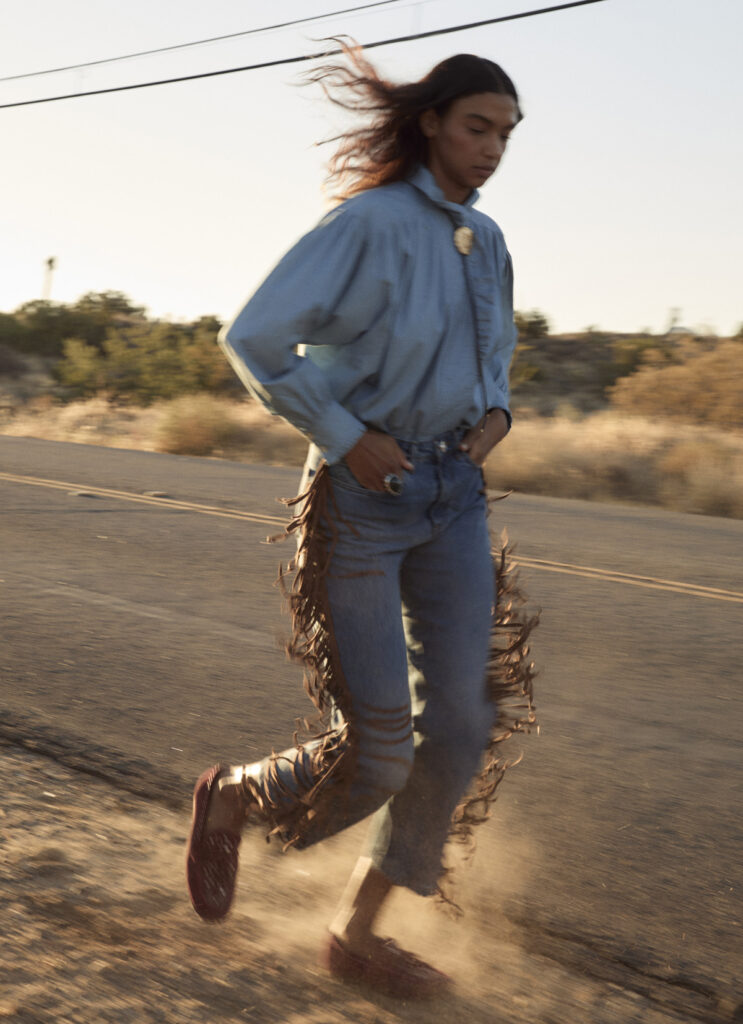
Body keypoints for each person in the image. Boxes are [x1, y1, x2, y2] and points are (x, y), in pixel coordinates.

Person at [186, 42, 536, 999]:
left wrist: (496, 414)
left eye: (506, 133)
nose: (494, 147)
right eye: (478, 126)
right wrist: (345, 434)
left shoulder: (490, 239)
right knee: (379, 750)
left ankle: (355, 932)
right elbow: (251, 336)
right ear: (430, 122)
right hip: (361, 500)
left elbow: (493, 356)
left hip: (453, 499)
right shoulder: (369, 223)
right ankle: (233, 795)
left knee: (460, 729)